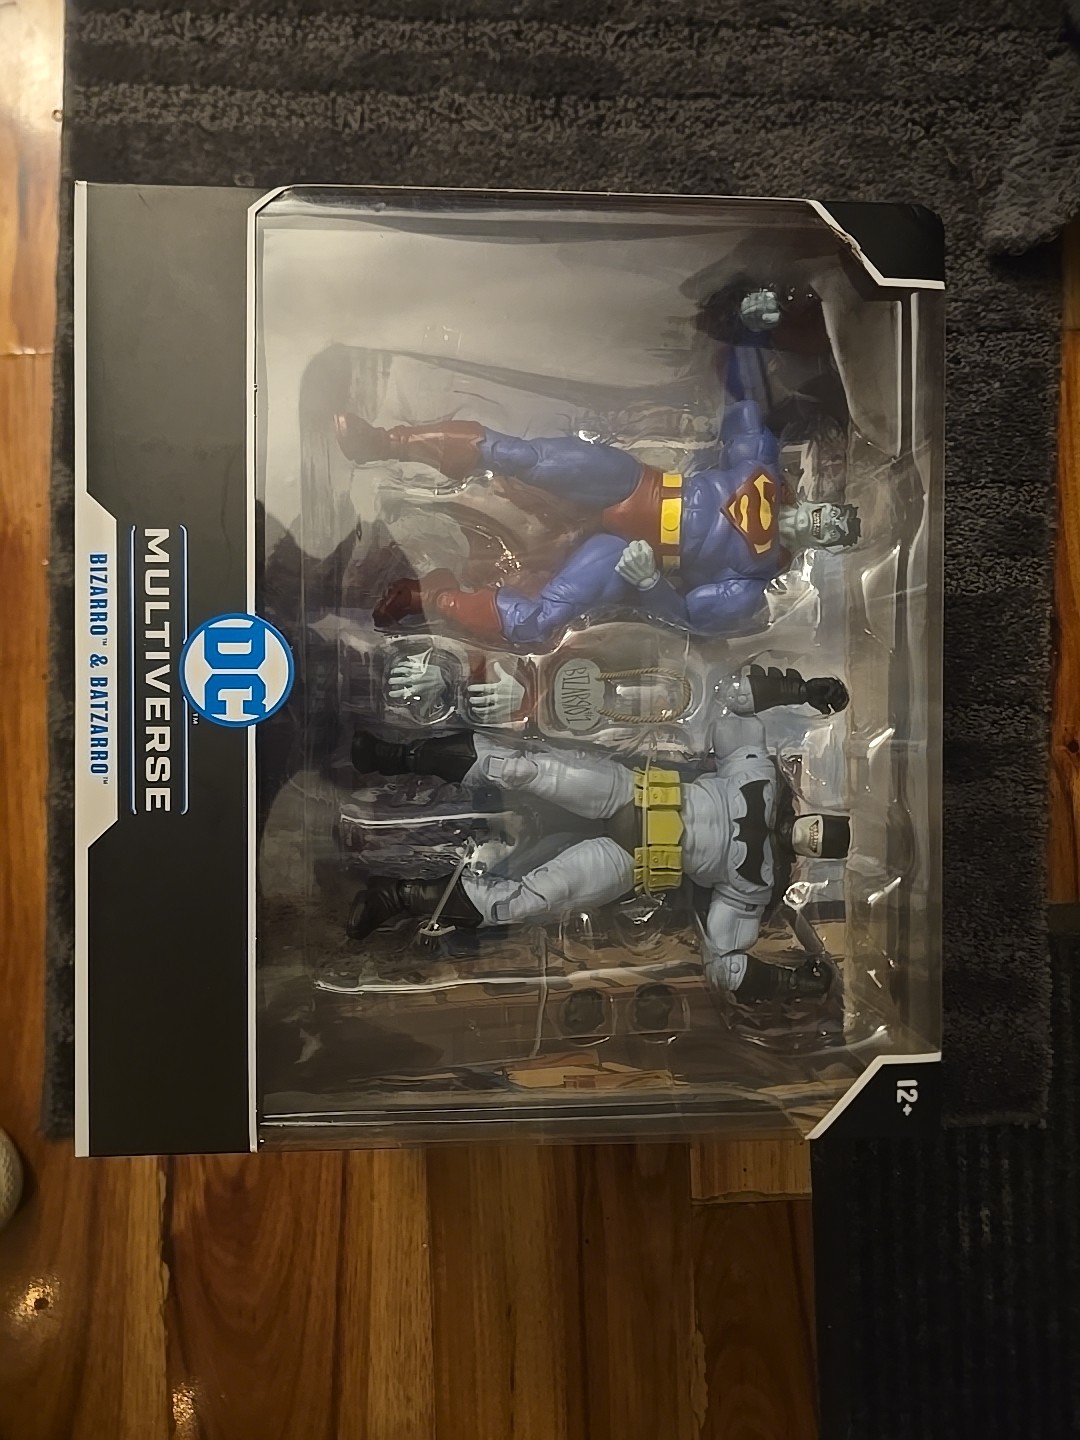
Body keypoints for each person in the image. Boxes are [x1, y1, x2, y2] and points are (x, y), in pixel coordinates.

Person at [345, 665, 850, 1006]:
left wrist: (789, 983)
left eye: (822, 842)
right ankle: (393, 756)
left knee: (524, 902)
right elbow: (733, 702)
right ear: (818, 815)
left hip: (630, 863)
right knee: (520, 768)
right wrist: (800, 692)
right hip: (628, 792)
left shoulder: (756, 886)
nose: (813, 836)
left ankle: (397, 896)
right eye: (823, 828)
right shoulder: (758, 776)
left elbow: (724, 965)